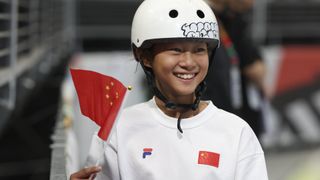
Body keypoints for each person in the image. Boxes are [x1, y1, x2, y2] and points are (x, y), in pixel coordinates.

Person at [70, 0, 268, 179]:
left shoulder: (236, 132)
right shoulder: (119, 129)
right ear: (144, 56)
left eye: (199, 50)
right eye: (176, 50)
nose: (189, 63)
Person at [204, 0, 269, 138]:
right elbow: (255, 70)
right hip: (216, 112)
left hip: (234, 110)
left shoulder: (232, 19)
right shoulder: (203, 16)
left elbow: (256, 67)